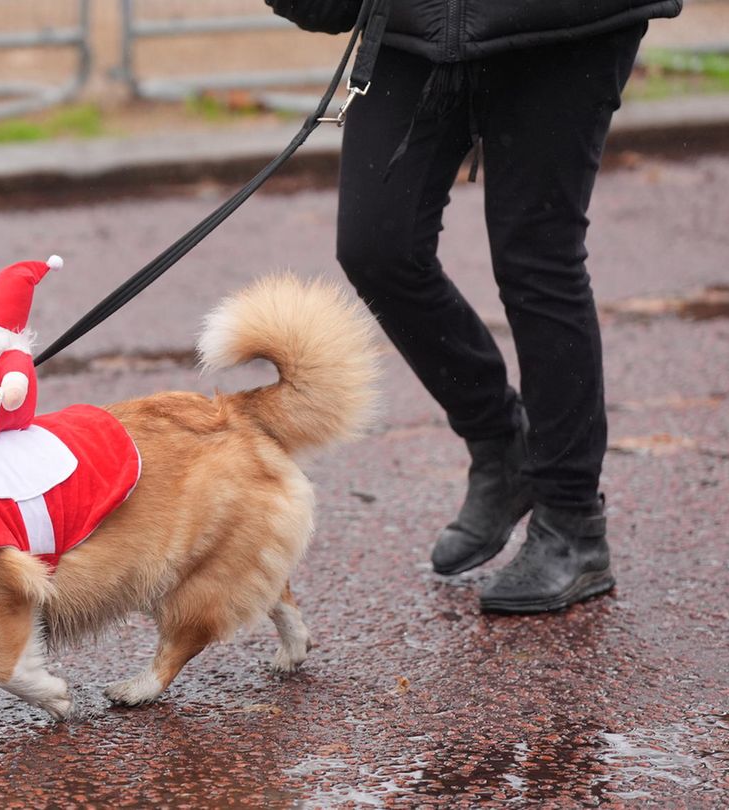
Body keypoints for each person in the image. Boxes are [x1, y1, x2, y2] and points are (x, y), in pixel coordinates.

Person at [267, 0, 683, 613]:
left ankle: (572, 524)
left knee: (538, 260)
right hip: (417, 22)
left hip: (560, 24)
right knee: (377, 247)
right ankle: (501, 445)